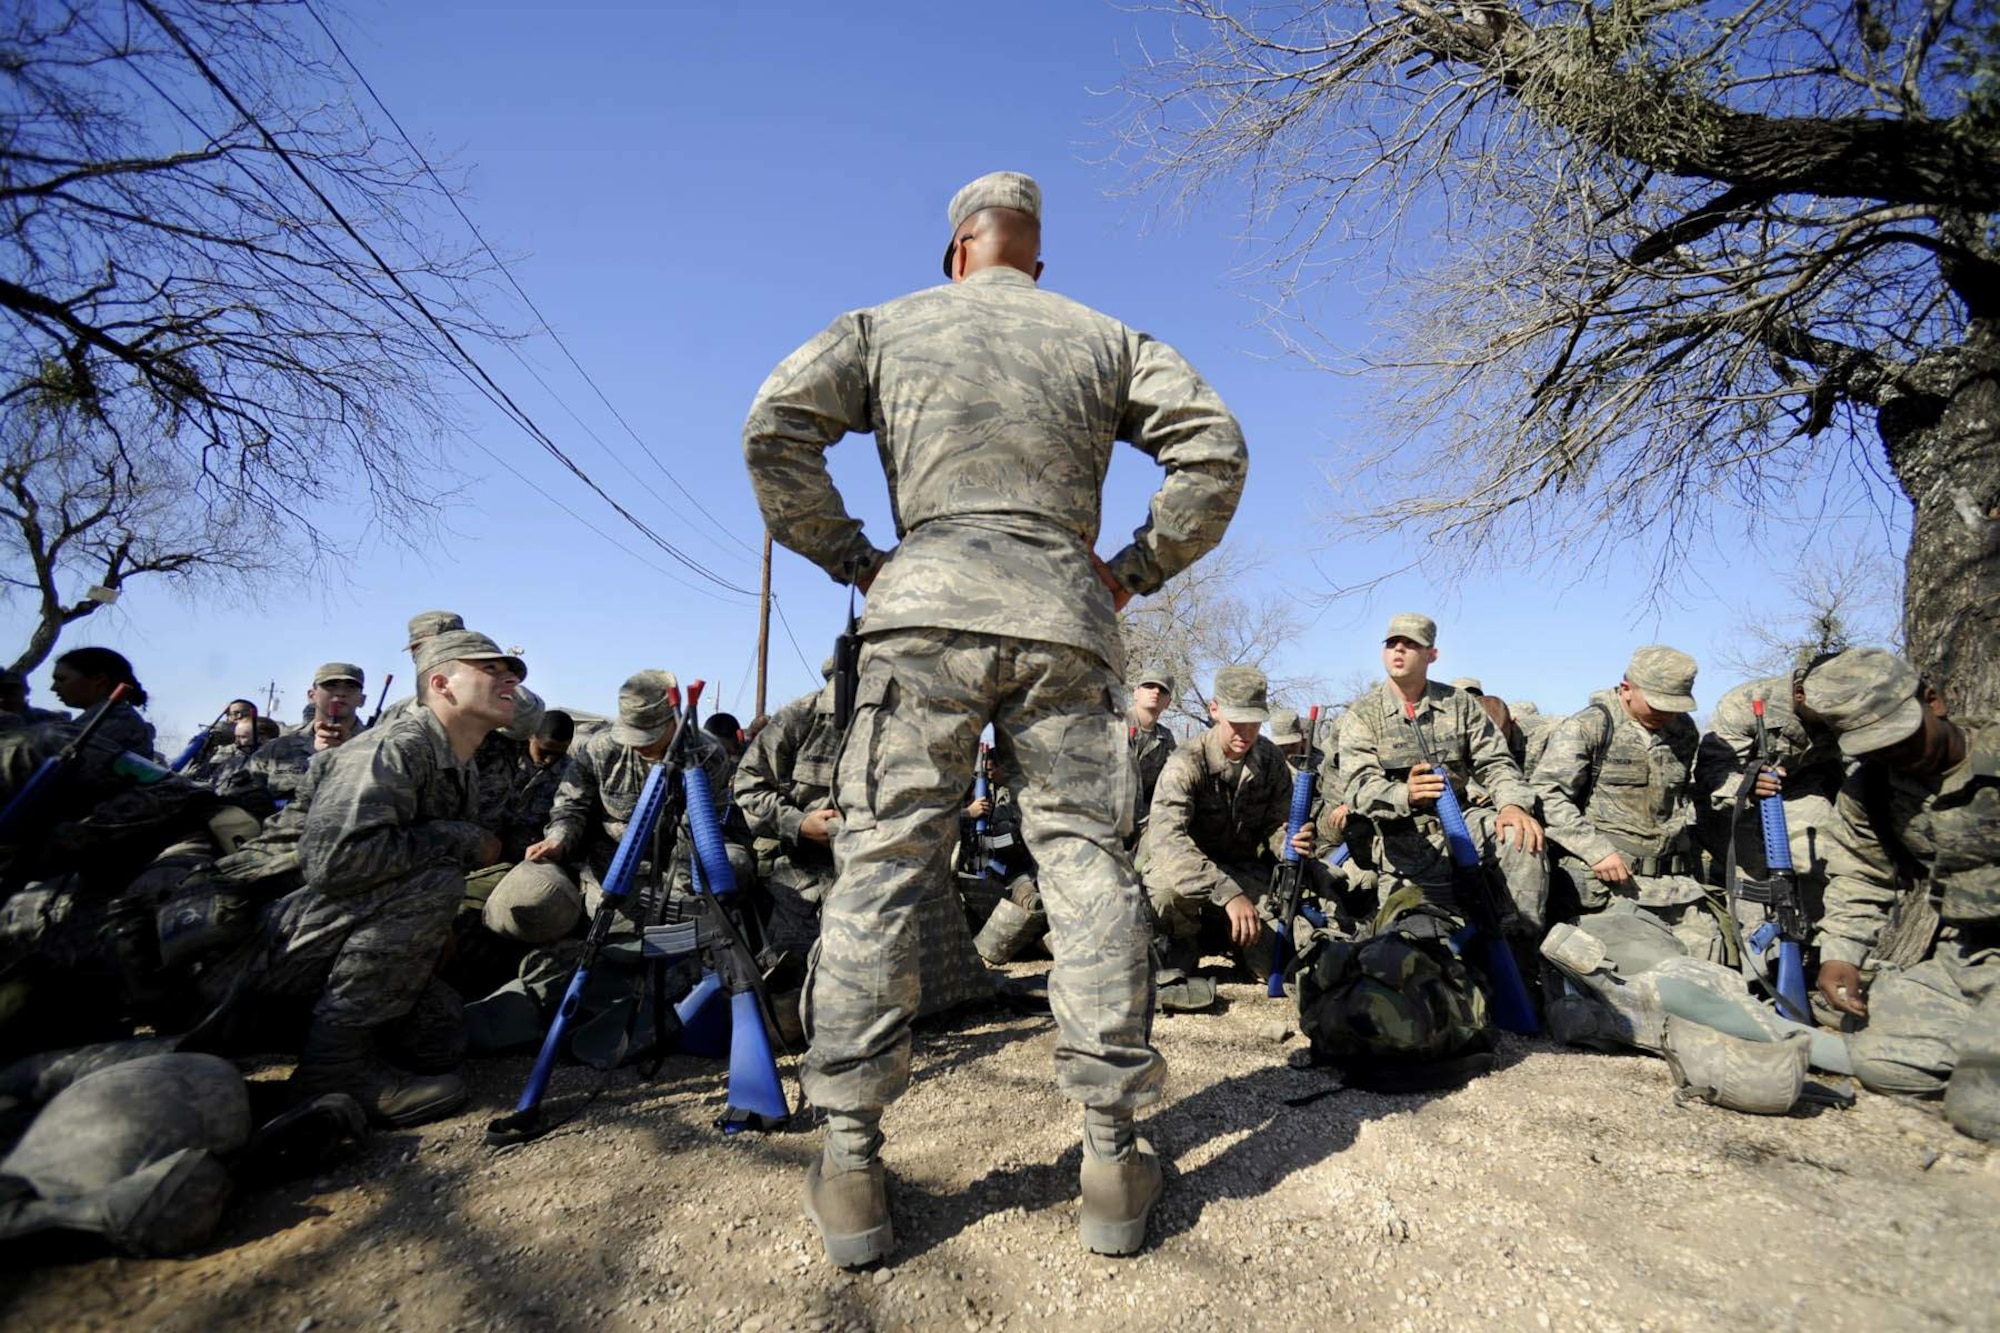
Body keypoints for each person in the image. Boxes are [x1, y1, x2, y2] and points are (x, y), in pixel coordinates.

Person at [743, 169, 1246, 1265]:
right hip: (1064, 619)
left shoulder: (886, 325)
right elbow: (1214, 447)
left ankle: (851, 1164)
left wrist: (856, 559)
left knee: (879, 867)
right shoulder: (1105, 336)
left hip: (921, 610)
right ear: (1033, 257)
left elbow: (774, 426)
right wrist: (1132, 569)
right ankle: (1112, 1155)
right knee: (1081, 861)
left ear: (957, 251)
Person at [191, 630, 524, 1127]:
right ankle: (333, 1068)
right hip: (256, 944)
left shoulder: (455, 757)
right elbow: (336, 862)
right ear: (441, 683)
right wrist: (459, 839)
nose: (510, 682)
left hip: (315, 930)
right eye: (491, 671)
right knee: (437, 877)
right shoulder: (393, 749)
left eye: (514, 674)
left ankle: (319, 1031)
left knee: (441, 1043)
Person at [1806, 649, 1997, 1141]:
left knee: (1980, 1111)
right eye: (1875, 747)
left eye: (1901, 737)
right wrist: (1841, 955)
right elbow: (1860, 875)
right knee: (1878, 1062)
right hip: (1965, 958)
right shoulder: (1870, 790)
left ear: (1933, 702)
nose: (1896, 755)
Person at [1338, 615, 1546, 930]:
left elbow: (1496, 762)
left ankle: (1519, 957)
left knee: (1522, 836)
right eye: (1392, 643)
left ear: (1431, 655)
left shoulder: (1459, 704)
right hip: (1402, 844)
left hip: (1463, 826)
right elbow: (1357, 787)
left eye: (1411, 644)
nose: (1399, 650)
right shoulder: (1363, 714)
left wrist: (1512, 804)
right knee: (1408, 942)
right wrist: (1404, 794)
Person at [1141, 667, 1323, 986]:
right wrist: (1228, 893)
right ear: (1214, 711)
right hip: (1187, 871)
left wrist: (1291, 842)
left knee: (1280, 964)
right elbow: (1168, 840)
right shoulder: (1186, 761)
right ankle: (1184, 943)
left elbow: (1276, 826)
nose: (1245, 733)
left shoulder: (1269, 759)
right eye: (1236, 721)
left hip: (1243, 870)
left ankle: (1235, 940)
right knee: (1165, 891)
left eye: (1253, 722)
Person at [1534, 646, 1716, 960]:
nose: (1667, 713)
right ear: (1627, 687)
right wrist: (1596, 850)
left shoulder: (1684, 731)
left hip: (1675, 888)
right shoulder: (1590, 726)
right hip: (1608, 887)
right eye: (1658, 703)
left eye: (1675, 706)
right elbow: (1547, 796)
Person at [217, 664, 366, 818]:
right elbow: (237, 799)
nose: (340, 693)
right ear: (311, 695)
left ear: (362, 700)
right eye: (330, 686)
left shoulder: (379, 746)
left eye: (350, 687)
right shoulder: (276, 749)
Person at [48, 647, 156, 761]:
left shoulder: (114, 724)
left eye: (61, 679)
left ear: (99, 679)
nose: (53, 688)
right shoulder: (111, 719)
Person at [1127, 669, 1177, 848]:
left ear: (1168, 702)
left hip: (1142, 822)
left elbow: (1171, 784)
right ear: (1136, 693)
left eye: (1162, 690)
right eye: (1149, 686)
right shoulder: (1109, 724)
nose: (1156, 692)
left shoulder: (1166, 739)